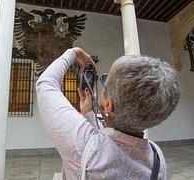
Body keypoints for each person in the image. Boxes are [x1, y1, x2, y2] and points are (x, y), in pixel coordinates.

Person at [36, 47, 180, 179]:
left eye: (106, 81)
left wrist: (73, 53)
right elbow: (106, 138)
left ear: (109, 105)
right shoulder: (157, 157)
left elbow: (46, 84)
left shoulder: (83, 145)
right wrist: (88, 113)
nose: (103, 83)